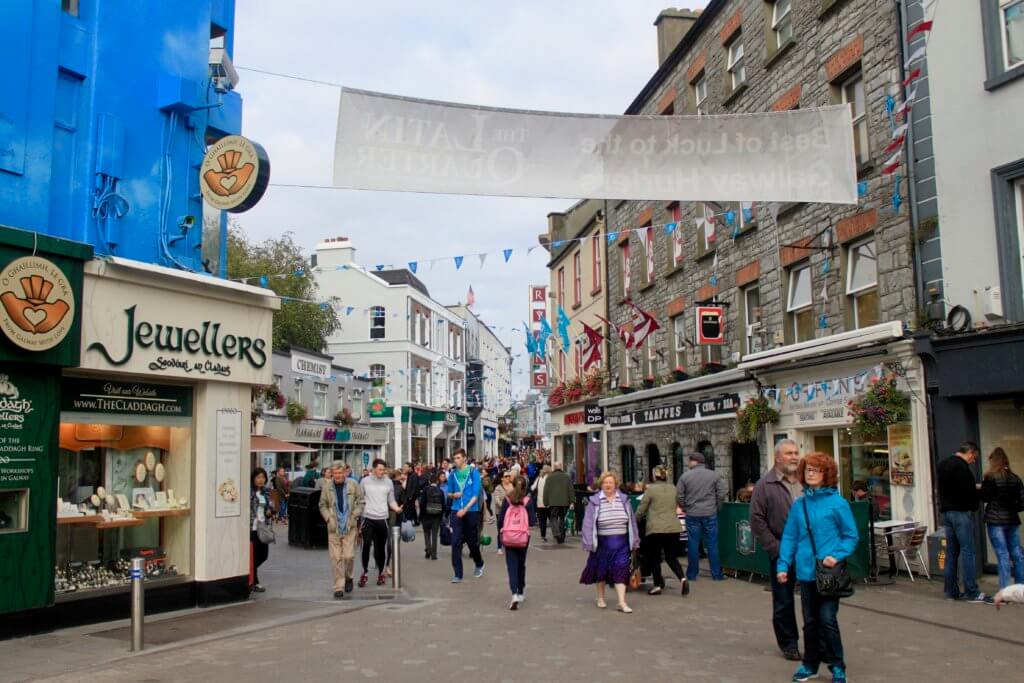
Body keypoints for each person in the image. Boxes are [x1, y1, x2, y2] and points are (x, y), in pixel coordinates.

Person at [777, 453, 858, 683]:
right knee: (810, 622)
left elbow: (850, 536)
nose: (810, 473)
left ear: (826, 475)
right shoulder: (799, 505)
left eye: (816, 470)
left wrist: (836, 555)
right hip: (805, 572)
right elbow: (790, 537)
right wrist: (783, 565)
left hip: (829, 573)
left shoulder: (838, 504)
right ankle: (810, 664)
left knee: (827, 620)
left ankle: (837, 665)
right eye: (807, 470)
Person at [750, 439, 803, 662]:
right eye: (789, 453)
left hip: (809, 551)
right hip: (782, 550)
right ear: (777, 458)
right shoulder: (766, 484)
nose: (794, 457)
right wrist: (775, 547)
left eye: (796, 453)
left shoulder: (806, 481)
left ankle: (819, 642)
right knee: (783, 599)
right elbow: (756, 519)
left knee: (815, 599)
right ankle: (789, 643)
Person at [580, 471, 640, 614]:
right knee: (601, 570)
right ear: (601, 485)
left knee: (621, 569)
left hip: (621, 542)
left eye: (610, 483)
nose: (608, 485)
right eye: (605, 482)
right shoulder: (595, 501)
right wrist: (588, 541)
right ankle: (600, 598)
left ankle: (621, 602)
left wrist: (635, 540)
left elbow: (631, 521)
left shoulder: (624, 500)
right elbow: (588, 523)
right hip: (602, 542)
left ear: (615, 485)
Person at [937, 442, 987, 602]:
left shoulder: (943, 464)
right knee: (968, 552)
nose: (973, 461)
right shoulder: (962, 467)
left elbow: (950, 488)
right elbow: (968, 492)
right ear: (970, 453)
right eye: (974, 457)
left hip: (947, 513)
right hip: (961, 513)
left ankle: (951, 591)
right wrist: (975, 501)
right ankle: (972, 591)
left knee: (951, 553)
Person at [637, 465, 688, 597]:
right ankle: (683, 578)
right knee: (671, 557)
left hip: (656, 528)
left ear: (654, 476)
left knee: (655, 557)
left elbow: (642, 509)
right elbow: (681, 503)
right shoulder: (673, 488)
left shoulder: (651, 490)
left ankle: (657, 585)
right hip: (673, 527)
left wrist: (635, 520)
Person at [676, 452, 728, 581]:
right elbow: (722, 492)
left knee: (693, 543)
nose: (688, 464)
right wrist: (717, 507)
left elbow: (679, 495)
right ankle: (716, 574)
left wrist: (685, 507)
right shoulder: (714, 475)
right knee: (712, 544)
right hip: (710, 513)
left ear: (694, 462)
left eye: (689, 461)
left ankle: (692, 574)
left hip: (692, 514)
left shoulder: (685, 476)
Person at [318, 465, 365, 599]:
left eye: (340, 472)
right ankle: (338, 586)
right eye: (335, 473)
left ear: (345, 472)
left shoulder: (353, 484)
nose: (337, 475)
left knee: (348, 556)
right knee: (336, 558)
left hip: (350, 526)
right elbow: (322, 504)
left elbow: (361, 502)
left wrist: (355, 515)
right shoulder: (327, 487)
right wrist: (328, 518)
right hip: (334, 527)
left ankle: (349, 576)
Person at [981, 447, 1024, 590]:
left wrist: (980, 488)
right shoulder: (1015, 478)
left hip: (995, 520)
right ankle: (1020, 589)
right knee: (1017, 555)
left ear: (993, 461)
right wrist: (1012, 508)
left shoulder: (990, 478)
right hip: (1012, 520)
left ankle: (1005, 590)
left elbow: (984, 497)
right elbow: (1022, 502)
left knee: (1002, 555)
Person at [358, 459, 404, 588]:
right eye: (380, 469)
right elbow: (360, 499)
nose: (382, 472)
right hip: (368, 518)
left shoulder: (388, 482)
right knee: (366, 545)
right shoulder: (364, 481)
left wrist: (396, 508)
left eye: (384, 470)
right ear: (373, 469)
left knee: (380, 548)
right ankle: (364, 573)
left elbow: (391, 500)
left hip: (382, 518)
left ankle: (381, 573)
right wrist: (358, 516)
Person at [445, 448, 485, 582]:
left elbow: (475, 494)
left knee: (472, 541)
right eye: (454, 458)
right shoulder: (452, 475)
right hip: (456, 510)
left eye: (458, 458)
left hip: (471, 511)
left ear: (464, 458)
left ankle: (479, 563)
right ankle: (457, 574)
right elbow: (449, 492)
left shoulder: (474, 473)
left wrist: (466, 509)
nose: (455, 461)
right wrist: (453, 495)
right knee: (455, 542)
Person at [498, 475, 537, 610]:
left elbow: (500, 519)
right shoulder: (528, 501)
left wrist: (501, 536)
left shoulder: (508, 499)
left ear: (513, 485)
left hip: (508, 536)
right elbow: (532, 521)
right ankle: (521, 591)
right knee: (521, 564)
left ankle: (514, 592)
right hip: (523, 537)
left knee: (511, 565)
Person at [249, 467, 275, 593]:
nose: (260, 480)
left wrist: (270, 510)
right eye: (258, 477)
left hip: (263, 527)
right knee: (254, 556)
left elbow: (270, 505)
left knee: (263, 555)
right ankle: (254, 581)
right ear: (253, 478)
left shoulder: (266, 491)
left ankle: (250, 574)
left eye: (263, 477)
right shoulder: (249, 492)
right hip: (252, 528)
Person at [543, 463, 574, 544]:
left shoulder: (549, 477)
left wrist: (545, 502)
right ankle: (562, 536)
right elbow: (571, 490)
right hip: (565, 502)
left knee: (553, 518)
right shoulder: (567, 476)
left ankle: (557, 533)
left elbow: (546, 491)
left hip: (553, 502)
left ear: (554, 468)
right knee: (562, 518)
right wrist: (572, 501)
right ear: (561, 467)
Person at [419, 473, 446, 560]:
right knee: (434, 535)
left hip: (426, 515)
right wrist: (441, 515)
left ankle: (428, 550)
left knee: (426, 533)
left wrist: (422, 514)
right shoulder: (440, 491)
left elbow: (422, 503)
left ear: (429, 481)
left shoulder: (425, 490)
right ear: (437, 481)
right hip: (436, 516)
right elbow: (443, 504)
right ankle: (434, 555)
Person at [492, 471, 514, 555]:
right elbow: (497, 500)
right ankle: (499, 547)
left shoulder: (512, 486)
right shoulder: (498, 488)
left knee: (509, 529)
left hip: (511, 512)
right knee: (500, 529)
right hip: (500, 512)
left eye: (509, 476)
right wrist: (505, 506)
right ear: (502, 478)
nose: (508, 478)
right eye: (506, 476)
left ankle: (508, 544)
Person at [532, 465, 552, 541]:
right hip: (549, 502)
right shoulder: (550, 478)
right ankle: (555, 534)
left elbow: (532, 488)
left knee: (542, 521)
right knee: (552, 519)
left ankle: (542, 536)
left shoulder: (539, 479)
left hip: (540, 503)